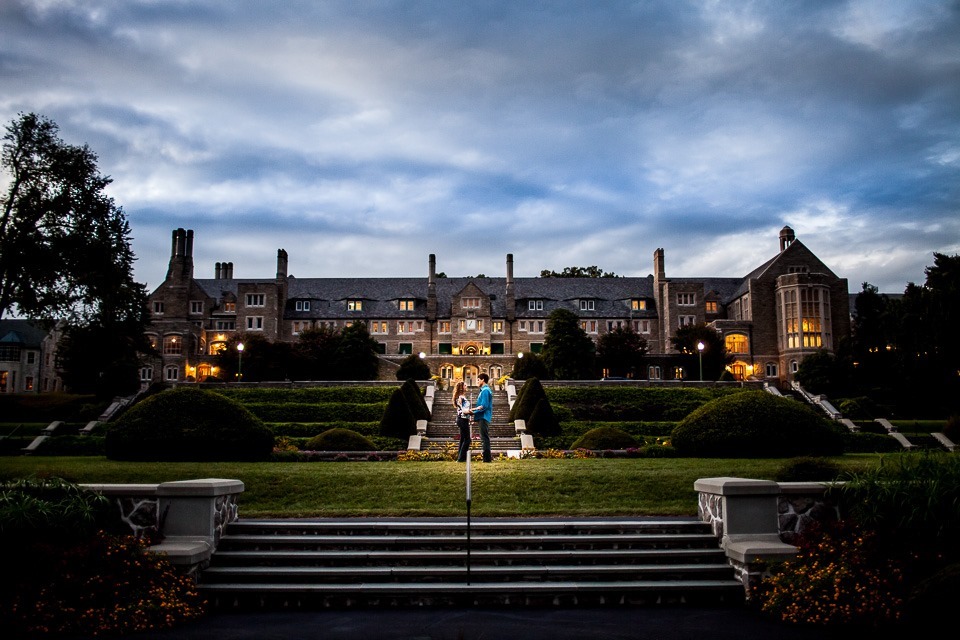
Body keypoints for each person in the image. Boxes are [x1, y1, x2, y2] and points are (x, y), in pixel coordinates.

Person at [469, 373, 493, 462]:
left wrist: (473, 412)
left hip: (484, 416)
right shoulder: (484, 390)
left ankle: (487, 459)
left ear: (483, 380)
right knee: (484, 438)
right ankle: (487, 458)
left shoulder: (485, 390)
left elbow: (484, 405)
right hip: (482, 416)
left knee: (484, 438)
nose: (477, 382)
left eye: (478, 380)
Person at [452, 380, 472, 462]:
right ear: (462, 387)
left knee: (463, 439)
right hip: (462, 419)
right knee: (467, 439)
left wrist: (471, 411)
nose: (466, 387)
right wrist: (474, 410)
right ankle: (461, 458)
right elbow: (464, 411)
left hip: (463, 419)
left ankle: (460, 458)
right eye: (465, 386)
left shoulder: (461, 397)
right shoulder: (461, 397)